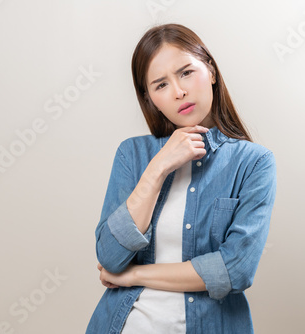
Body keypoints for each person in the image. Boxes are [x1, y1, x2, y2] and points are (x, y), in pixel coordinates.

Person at [85, 23, 277, 334]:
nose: (179, 92)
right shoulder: (132, 155)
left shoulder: (253, 163)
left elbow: (235, 270)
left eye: (186, 72)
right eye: (160, 85)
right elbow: (110, 257)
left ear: (211, 71)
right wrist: (158, 166)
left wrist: (134, 276)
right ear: (150, 99)